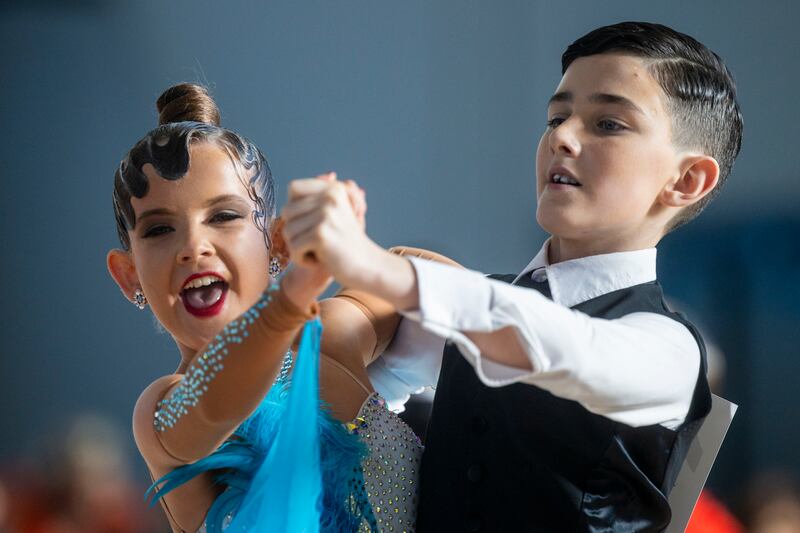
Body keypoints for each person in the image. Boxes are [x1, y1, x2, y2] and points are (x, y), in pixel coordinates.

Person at [281, 21, 743, 531]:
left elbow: (562, 345)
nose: (562, 137)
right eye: (557, 116)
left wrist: (374, 266)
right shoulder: (460, 307)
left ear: (686, 180)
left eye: (609, 123)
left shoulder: (668, 350)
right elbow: (338, 413)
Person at [106, 84, 426, 532]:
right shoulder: (163, 411)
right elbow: (217, 406)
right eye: (160, 229)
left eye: (223, 217)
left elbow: (434, 277)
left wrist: (358, 256)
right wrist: (290, 298)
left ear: (277, 242)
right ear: (128, 275)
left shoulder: (333, 339)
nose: (194, 247)